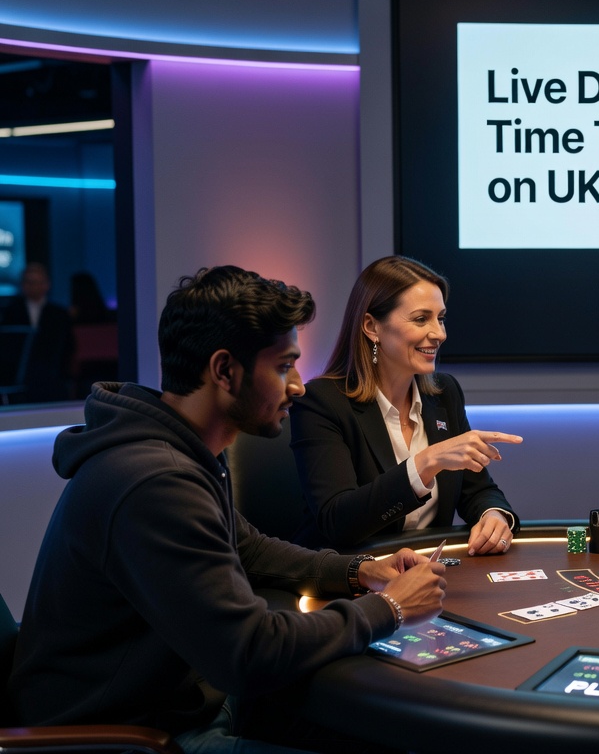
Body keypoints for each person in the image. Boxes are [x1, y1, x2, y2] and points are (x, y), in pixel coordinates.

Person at [9, 265, 447, 752]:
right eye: (283, 366)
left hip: (188, 697)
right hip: (137, 734)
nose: (298, 385)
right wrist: (388, 607)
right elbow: (250, 651)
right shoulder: (156, 481)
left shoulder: (181, 448)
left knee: (389, 735)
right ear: (224, 371)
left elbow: (250, 549)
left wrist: (361, 571)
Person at [290, 255, 522, 551]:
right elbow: (337, 521)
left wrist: (494, 514)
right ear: (372, 326)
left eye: (441, 318)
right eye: (421, 319)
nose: (439, 333)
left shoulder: (444, 392)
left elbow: (477, 489)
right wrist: (425, 463)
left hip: (428, 575)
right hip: (349, 580)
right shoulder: (321, 403)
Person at [0, 261, 75, 401]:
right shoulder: (11, 311)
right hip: (18, 377)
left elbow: (68, 347)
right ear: (22, 285)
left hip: (52, 376)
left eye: (36, 282)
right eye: (28, 282)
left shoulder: (59, 314)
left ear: (46, 285)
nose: (32, 286)